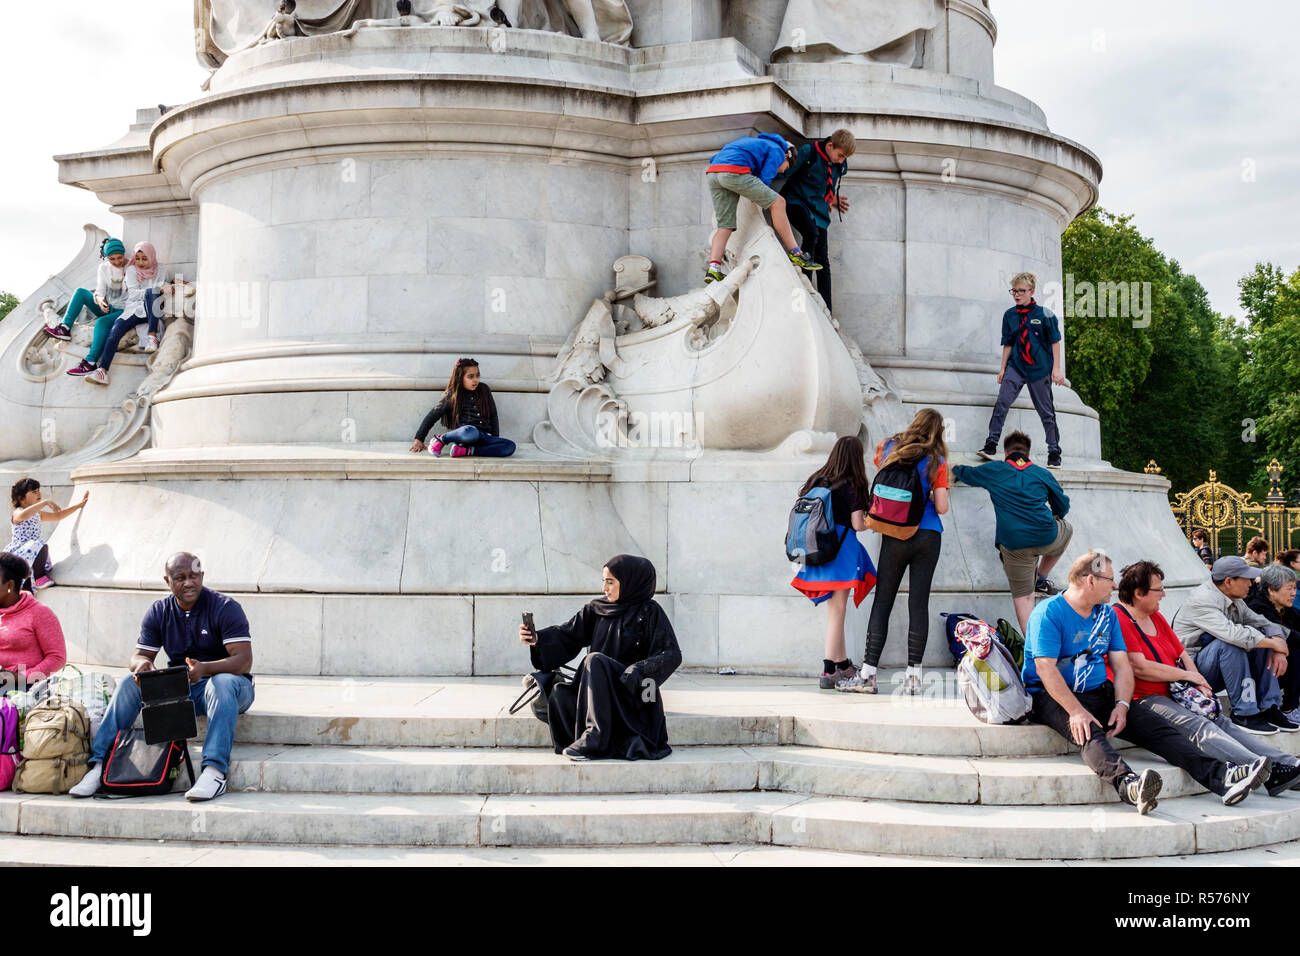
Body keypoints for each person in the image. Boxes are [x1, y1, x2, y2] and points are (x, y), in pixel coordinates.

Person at [68, 553, 255, 802]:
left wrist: (206, 669)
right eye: (181, 578)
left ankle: (214, 771)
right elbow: (138, 655)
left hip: (231, 687)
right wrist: (142, 664)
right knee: (128, 684)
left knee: (222, 682)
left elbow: (244, 661)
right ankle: (100, 766)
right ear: (168, 581)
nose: (189, 582)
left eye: (194, 576)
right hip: (183, 687)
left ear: (202, 577)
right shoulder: (159, 611)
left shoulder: (225, 607)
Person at [1115, 560, 1293, 801]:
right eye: (1159, 590)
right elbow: (1140, 667)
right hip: (1147, 696)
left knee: (1221, 721)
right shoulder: (1120, 618)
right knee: (1200, 726)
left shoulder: (1155, 616)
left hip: (1177, 688)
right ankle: (1268, 770)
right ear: (1138, 593)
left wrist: (1198, 681)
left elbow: (1180, 653)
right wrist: (1189, 676)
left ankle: (1289, 763)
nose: (1164, 594)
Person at [1021, 550, 1162, 814]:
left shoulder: (1106, 615)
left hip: (1098, 691)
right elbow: (1044, 667)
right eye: (1110, 579)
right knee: (1087, 730)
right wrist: (1075, 711)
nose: (1115, 585)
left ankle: (1219, 773)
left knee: (1152, 723)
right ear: (1090, 580)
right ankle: (1130, 786)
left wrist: (1122, 704)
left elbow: (1121, 665)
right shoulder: (1049, 612)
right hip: (1051, 694)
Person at [519, 555, 682, 761]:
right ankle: (587, 738)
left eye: (611, 581)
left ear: (631, 582)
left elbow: (671, 654)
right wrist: (537, 639)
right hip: (598, 694)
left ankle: (596, 739)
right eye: (603, 581)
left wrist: (640, 671)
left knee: (594, 660)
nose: (605, 587)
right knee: (561, 693)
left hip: (631, 693)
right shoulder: (596, 609)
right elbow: (568, 634)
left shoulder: (650, 612)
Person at [836, 408, 949, 695]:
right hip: (928, 535)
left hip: (895, 534)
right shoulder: (938, 460)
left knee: (883, 601)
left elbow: (881, 473)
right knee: (918, 603)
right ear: (938, 432)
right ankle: (913, 678)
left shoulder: (888, 447)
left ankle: (868, 675)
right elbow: (942, 507)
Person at [951, 429, 1072, 636]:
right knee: (1067, 529)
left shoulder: (995, 470)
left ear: (1005, 453)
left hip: (1015, 546)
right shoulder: (1043, 473)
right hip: (1047, 535)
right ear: (1028, 454)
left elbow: (966, 473)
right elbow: (1062, 508)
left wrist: (953, 467)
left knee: (1025, 599)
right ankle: (1041, 577)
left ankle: (1035, 653)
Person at [789, 436, 878, 689]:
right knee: (838, 611)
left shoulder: (817, 479)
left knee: (835, 610)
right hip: (842, 550)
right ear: (856, 457)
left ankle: (842, 665)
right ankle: (829, 670)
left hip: (818, 548)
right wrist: (875, 520)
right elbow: (858, 524)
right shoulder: (854, 484)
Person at [1171, 556, 1296, 735]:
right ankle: (1244, 714)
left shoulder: (1234, 598)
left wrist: (1278, 643)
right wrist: (1274, 643)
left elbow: (1261, 622)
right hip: (1191, 673)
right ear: (1229, 581)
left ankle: (1269, 707)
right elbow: (1233, 634)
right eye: (1246, 579)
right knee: (1230, 644)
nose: (1251, 584)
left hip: (1215, 668)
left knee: (1261, 638)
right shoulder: (1203, 599)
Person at [704, 133, 821, 283]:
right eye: (786, 167)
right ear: (787, 156)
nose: (783, 171)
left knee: (725, 225)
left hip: (714, 172)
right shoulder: (778, 151)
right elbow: (764, 180)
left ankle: (713, 268)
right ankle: (796, 253)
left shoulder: (757, 144)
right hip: (733, 171)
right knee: (779, 202)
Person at [977, 272, 1065, 469]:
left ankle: (1054, 451)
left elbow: (1055, 342)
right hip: (1016, 367)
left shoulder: (1045, 315)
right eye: (1014, 291)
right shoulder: (1009, 315)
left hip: (1039, 369)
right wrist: (1002, 369)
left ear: (1032, 291)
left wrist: (1056, 369)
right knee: (1002, 402)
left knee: (1046, 412)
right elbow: (1007, 344)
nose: (1017, 295)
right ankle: (991, 443)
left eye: (1021, 291)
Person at [779, 129, 855, 309]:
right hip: (795, 200)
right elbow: (784, 172)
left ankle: (826, 308)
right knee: (811, 234)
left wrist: (832, 199)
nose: (841, 160)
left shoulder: (839, 164)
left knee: (823, 258)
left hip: (818, 209)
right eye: (840, 155)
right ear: (830, 146)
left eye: (845, 157)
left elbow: (828, 183)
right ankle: (804, 292)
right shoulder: (808, 152)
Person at [84, 242, 175, 387]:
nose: (140, 262)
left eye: (144, 258)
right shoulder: (132, 270)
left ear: (151, 257)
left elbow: (166, 284)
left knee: (153, 293)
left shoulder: (161, 269)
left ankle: (152, 336)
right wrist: (157, 289)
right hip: (134, 309)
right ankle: (102, 370)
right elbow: (133, 294)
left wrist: (167, 286)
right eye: (137, 258)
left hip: (154, 310)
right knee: (115, 330)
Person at [45, 238, 128, 375]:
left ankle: (90, 363)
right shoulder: (104, 268)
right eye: (112, 259)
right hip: (109, 308)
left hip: (125, 311)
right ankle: (65, 328)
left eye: (120, 257)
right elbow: (100, 291)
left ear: (124, 254)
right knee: (80, 292)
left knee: (101, 321)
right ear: (107, 258)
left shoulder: (131, 267)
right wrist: (100, 301)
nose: (117, 262)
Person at [410, 358, 516, 458]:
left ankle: (468, 451)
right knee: (471, 431)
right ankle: (441, 439)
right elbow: (433, 415)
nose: (475, 380)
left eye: (477, 376)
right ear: (460, 378)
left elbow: (493, 415)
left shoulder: (484, 389)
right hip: (465, 435)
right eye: (470, 376)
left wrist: (495, 439)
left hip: (483, 437)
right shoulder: (453, 394)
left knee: (510, 446)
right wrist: (419, 439)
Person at [5, 479, 88, 591]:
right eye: (34, 492)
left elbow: (58, 516)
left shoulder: (37, 514)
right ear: (21, 498)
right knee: (39, 545)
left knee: (28, 587)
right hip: (21, 552)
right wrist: (44, 503)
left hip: (34, 555)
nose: (38, 493)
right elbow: (23, 515)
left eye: (38, 490)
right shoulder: (18, 512)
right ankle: (39, 578)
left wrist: (79, 505)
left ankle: (37, 581)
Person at [0, 553, 66, 688]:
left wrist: (21, 677)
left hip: (24, 689)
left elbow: (57, 658)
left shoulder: (39, 613)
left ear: (10, 585)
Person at [1247, 564, 1300, 722]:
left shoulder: (1285, 608)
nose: (1293, 593)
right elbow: (1288, 635)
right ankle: (1290, 707)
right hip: (1257, 671)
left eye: (1295, 588)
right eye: (1289, 588)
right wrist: (1281, 650)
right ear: (1271, 590)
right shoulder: (1257, 608)